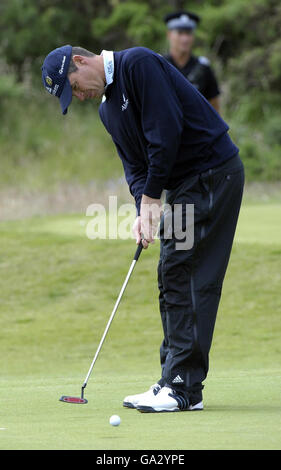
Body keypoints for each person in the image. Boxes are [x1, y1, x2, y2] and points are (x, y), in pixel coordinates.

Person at [41, 45, 244, 413]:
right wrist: (142, 211)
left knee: (186, 271)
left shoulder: (137, 64)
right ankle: (172, 380)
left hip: (213, 172)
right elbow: (134, 167)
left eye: (75, 87)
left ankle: (184, 387)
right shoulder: (107, 110)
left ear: (80, 61)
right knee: (171, 272)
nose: (81, 97)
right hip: (186, 184)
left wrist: (153, 197)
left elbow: (164, 133)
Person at [164, 11, 220, 112]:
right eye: (180, 33)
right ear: (169, 35)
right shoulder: (160, 65)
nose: (185, 39)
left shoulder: (203, 67)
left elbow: (214, 107)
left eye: (188, 33)